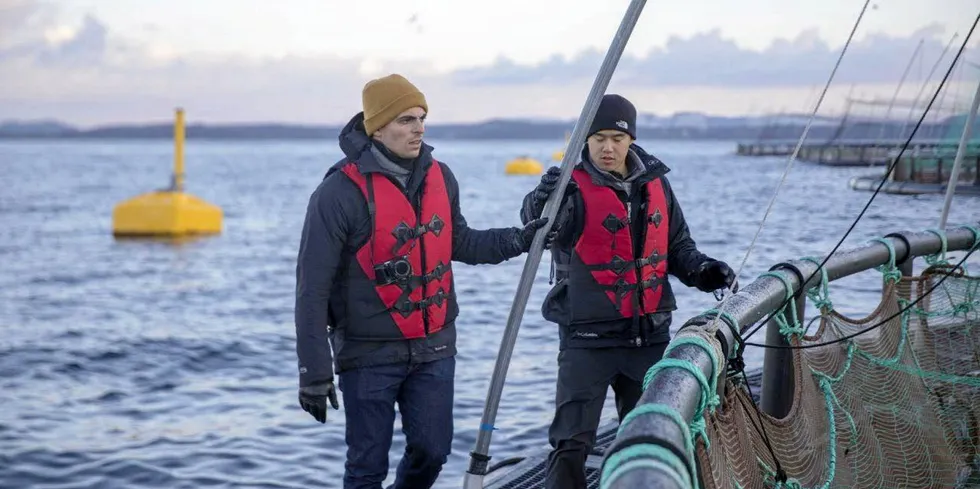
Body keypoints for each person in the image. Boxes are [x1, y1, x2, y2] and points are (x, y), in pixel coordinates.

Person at [294, 73, 550, 489]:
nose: (419, 129)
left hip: (435, 348)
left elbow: (460, 241)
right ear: (377, 128)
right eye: (406, 120)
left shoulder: (441, 177)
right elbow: (311, 287)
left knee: (433, 451)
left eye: (421, 118)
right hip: (367, 354)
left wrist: (520, 239)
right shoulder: (336, 193)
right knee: (366, 468)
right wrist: (313, 371)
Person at [519, 94, 737, 489]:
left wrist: (705, 272)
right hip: (586, 341)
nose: (607, 147)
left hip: (649, 340)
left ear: (630, 140)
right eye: (598, 137)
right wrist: (542, 197)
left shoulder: (658, 185)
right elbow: (537, 225)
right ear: (585, 139)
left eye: (617, 139)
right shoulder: (568, 188)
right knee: (570, 444)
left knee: (657, 440)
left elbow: (679, 248)